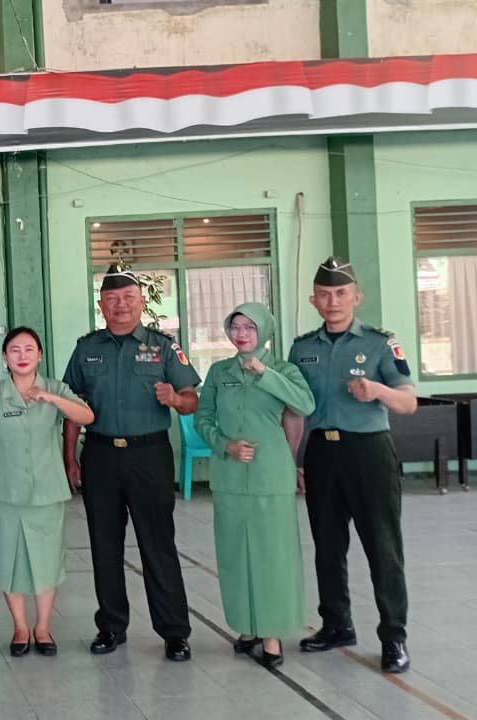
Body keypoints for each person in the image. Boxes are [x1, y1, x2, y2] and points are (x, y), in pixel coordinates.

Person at [283, 256, 417, 673]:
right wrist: (292, 461)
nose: (333, 301)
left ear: (357, 297)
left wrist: (377, 390)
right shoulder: (302, 348)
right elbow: (295, 411)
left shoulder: (380, 344)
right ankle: (336, 624)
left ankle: (393, 636)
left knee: (383, 546)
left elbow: (408, 401)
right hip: (322, 453)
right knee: (327, 545)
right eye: (324, 295)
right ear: (313, 300)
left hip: (369, 452)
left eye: (341, 293)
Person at [63, 264, 201, 661]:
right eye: (112, 299)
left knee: (158, 544)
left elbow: (191, 400)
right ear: (101, 305)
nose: (120, 305)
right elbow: (72, 407)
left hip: (149, 455)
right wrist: (69, 457)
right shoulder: (86, 349)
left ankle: (174, 631)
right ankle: (111, 626)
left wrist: (174, 399)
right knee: (104, 544)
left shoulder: (163, 347)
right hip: (101, 455)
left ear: (141, 303)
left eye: (128, 298)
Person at [194, 303, 315, 668]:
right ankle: (247, 626)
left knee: (272, 556)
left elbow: (305, 404)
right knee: (235, 554)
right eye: (235, 327)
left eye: (249, 327)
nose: (241, 334)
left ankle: (272, 634)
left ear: (264, 330)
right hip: (230, 475)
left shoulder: (283, 370)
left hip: (270, 474)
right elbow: (203, 418)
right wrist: (224, 445)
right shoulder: (219, 371)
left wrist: (264, 373)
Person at [0, 327, 95, 659]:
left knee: (46, 561)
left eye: (29, 349)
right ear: (5, 357)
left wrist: (51, 398)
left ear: (40, 355)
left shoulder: (55, 388)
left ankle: (42, 628)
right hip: (5, 492)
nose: (22, 355)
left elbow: (86, 415)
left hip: (46, 492)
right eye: (15, 350)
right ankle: (20, 627)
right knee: (8, 560)